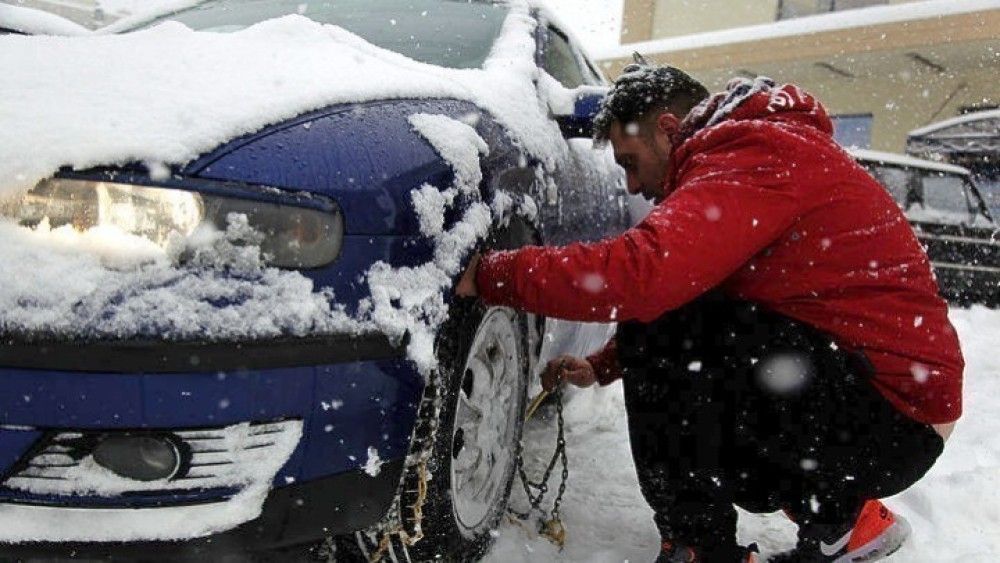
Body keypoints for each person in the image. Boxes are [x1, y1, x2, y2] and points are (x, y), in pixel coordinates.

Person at [455, 62, 963, 563]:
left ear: (668, 129)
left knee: (661, 306)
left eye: (630, 161)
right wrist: (605, 363)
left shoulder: (753, 153)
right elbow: (707, 291)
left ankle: (701, 548)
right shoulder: (759, 148)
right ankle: (843, 522)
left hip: (889, 414)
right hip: (884, 402)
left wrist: (493, 274)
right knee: (675, 308)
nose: (632, 186)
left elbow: (646, 278)